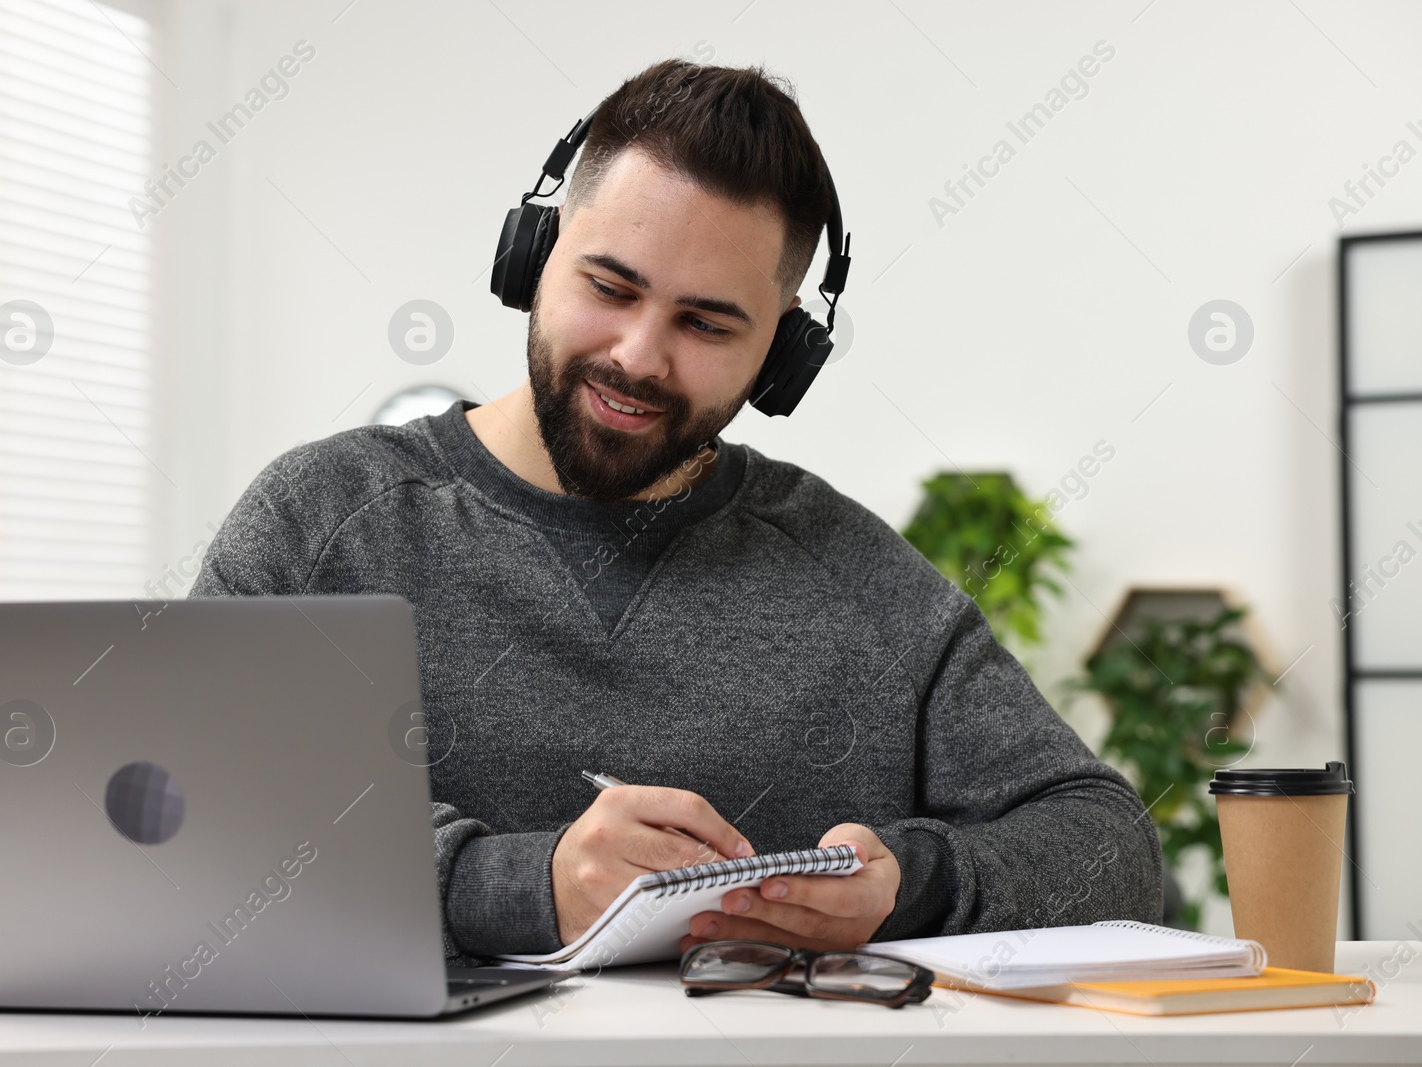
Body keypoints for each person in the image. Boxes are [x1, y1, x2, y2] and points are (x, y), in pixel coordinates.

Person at [191, 58, 1162, 967]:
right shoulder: (319, 524)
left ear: (782, 360)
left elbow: (1111, 846)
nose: (638, 355)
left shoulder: (854, 578)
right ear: (533, 257)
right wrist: (518, 883)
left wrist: (909, 883)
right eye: (608, 287)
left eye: (704, 322)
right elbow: (185, 816)